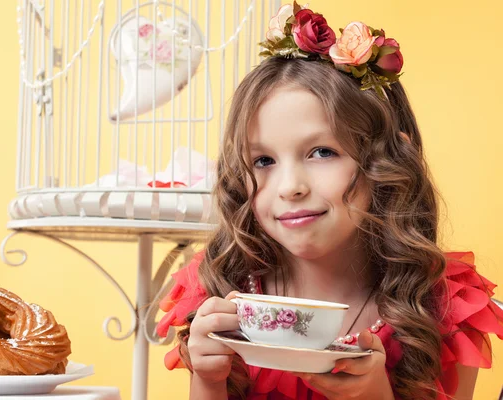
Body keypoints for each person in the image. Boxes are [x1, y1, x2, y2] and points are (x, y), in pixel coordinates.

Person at [156, 3, 503, 399]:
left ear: (390, 160)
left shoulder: (441, 309)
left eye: (322, 152)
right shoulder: (221, 289)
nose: (289, 187)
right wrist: (208, 380)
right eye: (263, 160)